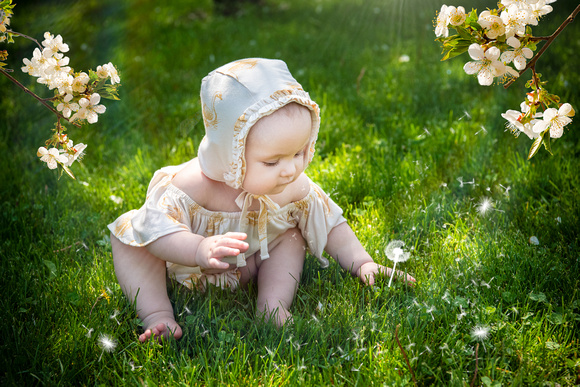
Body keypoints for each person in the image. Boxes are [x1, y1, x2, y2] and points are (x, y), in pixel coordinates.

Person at [108, 58, 415, 342]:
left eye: (298, 152)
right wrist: (199, 249)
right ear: (230, 155)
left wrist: (362, 262)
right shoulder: (188, 185)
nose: (291, 169)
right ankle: (157, 315)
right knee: (131, 235)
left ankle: (273, 308)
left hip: (247, 266)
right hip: (183, 268)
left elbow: (328, 222)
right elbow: (157, 233)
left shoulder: (290, 185)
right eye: (272, 162)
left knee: (292, 235)